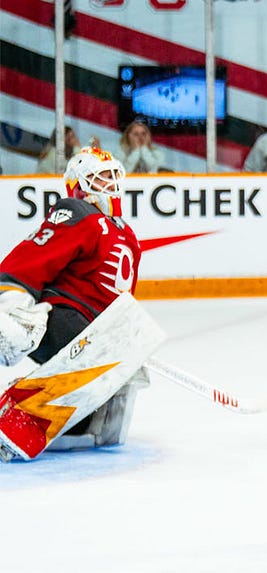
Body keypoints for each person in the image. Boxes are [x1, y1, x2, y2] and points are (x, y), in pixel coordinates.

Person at [0, 148, 149, 458]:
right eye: (100, 176)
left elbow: (123, 300)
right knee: (94, 365)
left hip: (98, 330)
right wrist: (13, 295)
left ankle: (53, 421)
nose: (109, 182)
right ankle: (16, 414)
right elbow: (36, 253)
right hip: (64, 319)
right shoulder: (78, 210)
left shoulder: (128, 236)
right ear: (79, 184)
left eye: (112, 176)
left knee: (107, 418)